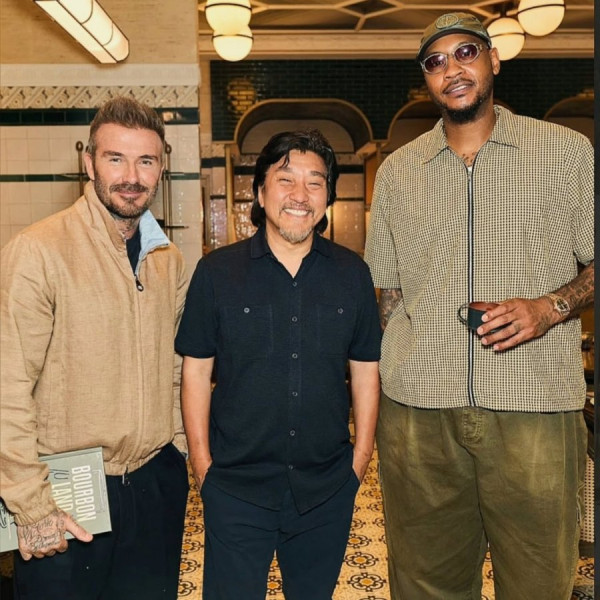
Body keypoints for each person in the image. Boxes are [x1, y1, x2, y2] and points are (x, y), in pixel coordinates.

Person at [364, 12, 594, 600]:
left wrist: (549, 307)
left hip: (534, 404)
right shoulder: (397, 173)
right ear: (426, 80)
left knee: (539, 581)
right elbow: (387, 292)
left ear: (493, 59)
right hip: (419, 413)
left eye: (466, 52)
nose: (452, 69)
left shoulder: (565, 153)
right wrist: (396, 371)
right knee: (425, 583)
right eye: (435, 62)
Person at [175, 129, 381, 600]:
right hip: (235, 487)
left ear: (327, 197)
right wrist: (204, 468)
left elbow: (366, 369)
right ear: (260, 192)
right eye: (286, 179)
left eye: (315, 182)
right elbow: (196, 372)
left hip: (325, 488)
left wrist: (360, 459)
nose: (300, 195)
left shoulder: (352, 274)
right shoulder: (217, 273)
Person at [0, 96, 189, 600]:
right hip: (65, 493)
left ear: (162, 168)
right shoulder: (39, 251)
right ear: (88, 163)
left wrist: (178, 449)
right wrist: (30, 504)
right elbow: (7, 386)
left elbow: (174, 367)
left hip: (153, 485)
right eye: (115, 159)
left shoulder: (168, 260)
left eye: (145, 161)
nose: (131, 176)